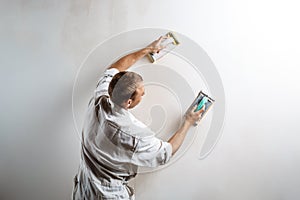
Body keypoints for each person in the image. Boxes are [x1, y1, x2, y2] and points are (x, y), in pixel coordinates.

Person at [72, 36, 205, 200]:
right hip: (108, 195)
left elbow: (113, 69)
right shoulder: (132, 134)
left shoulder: (100, 98)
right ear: (129, 102)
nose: (144, 94)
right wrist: (188, 122)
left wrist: (147, 50)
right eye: (142, 93)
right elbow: (164, 153)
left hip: (84, 189)